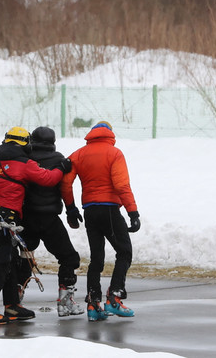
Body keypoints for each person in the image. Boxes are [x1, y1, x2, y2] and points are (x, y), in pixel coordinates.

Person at [0, 126, 71, 325]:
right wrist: (62, 167)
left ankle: (12, 306)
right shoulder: (26, 164)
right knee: (2, 265)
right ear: (25, 144)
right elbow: (48, 179)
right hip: (7, 220)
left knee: (9, 263)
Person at [61, 121, 141, 322]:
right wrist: (133, 212)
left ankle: (93, 303)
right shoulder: (114, 153)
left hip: (90, 210)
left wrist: (71, 208)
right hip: (110, 210)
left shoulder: (78, 154)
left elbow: (65, 183)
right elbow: (121, 185)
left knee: (97, 257)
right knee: (124, 251)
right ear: (110, 134)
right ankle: (114, 297)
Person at [18, 126, 84, 317]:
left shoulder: (25, 159)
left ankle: (15, 297)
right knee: (69, 258)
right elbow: (65, 188)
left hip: (27, 217)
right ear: (53, 142)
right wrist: (71, 210)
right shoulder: (59, 160)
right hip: (49, 219)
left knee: (24, 257)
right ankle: (65, 302)